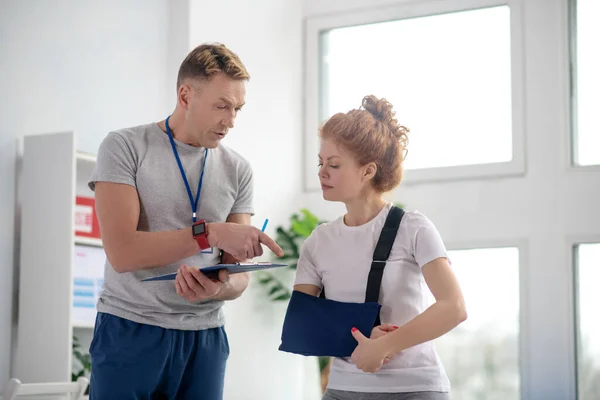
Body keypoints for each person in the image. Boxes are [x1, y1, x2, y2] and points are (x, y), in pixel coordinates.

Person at [87, 42, 283, 400]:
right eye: (221, 106)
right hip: (130, 328)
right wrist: (209, 233)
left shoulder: (238, 169)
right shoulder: (124, 147)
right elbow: (122, 252)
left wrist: (219, 288)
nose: (231, 120)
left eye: (237, 108)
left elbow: (235, 275)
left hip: (206, 337)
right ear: (185, 95)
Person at [292, 95, 467, 400]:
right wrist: (361, 336)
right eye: (321, 163)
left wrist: (385, 344)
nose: (322, 172)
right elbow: (302, 325)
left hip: (414, 389)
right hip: (342, 390)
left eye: (334, 164)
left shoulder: (412, 227)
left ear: (368, 171)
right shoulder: (318, 242)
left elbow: (454, 307)